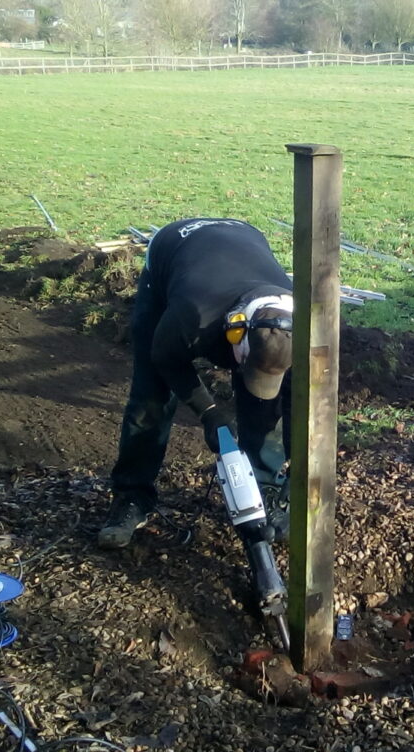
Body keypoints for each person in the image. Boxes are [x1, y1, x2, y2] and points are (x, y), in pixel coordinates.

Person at [99, 218, 293, 549]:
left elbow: (300, 405)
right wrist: (210, 412)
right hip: (173, 254)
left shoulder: (309, 329)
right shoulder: (195, 316)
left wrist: (300, 470)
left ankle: (268, 493)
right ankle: (132, 497)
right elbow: (166, 360)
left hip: (240, 242)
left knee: (265, 407)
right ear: (235, 335)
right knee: (151, 398)